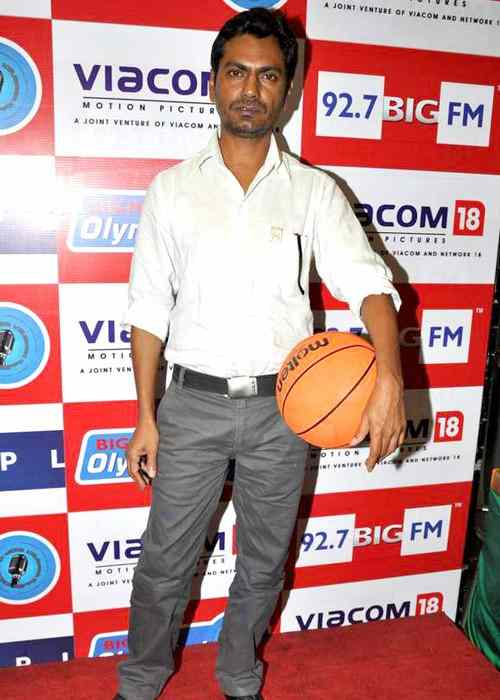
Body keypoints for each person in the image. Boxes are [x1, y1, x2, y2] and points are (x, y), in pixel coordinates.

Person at [116, 8, 405, 700]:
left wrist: (389, 377)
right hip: (190, 405)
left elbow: (369, 286)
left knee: (266, 560)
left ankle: (239, 672)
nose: (251, 88)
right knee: (163, 563)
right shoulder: (172, 188)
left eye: (268, 75)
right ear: (213, 83)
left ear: (289, 90)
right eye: (237, 72)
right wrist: (146, 415)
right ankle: (141, 678)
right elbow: (149, 309)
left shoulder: (313, 191)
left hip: (285, 409)